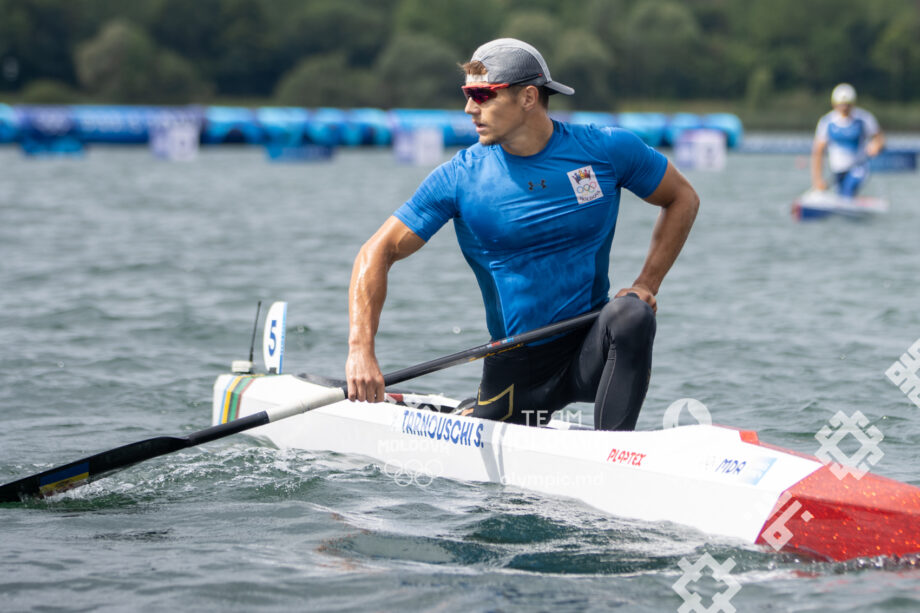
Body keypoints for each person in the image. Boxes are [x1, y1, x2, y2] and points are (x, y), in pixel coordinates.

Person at [346, 38, 699, 431]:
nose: (469, 108)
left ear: (528, 97)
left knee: (632, 315)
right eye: (467, 95)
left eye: (482, 95)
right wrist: (361, 351)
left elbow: (682, 197)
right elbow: (375, 253)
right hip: (517, 366)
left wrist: (646, 282)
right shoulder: (461, 177)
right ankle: (473, 412)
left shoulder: (606, 150)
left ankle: (613, 453)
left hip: (587, 346)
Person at [811, 83, 885, 198]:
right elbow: (818, 152)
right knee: (841, 195)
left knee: (848, 191)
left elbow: (879, 138)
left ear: (853, 103)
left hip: (859, 166)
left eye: (847, 105)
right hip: (837, 169)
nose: (844, 108)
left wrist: (877, 146)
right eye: (841, 105)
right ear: (834, 104)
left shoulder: (863, 119)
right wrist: (818, 180)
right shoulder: (827, 122)